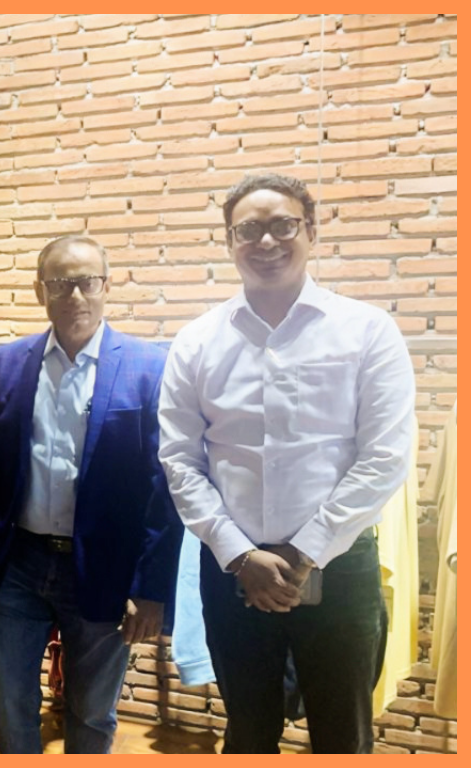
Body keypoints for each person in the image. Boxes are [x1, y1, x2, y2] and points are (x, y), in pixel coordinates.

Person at [158, 173, 416, 753]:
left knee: (343, 736)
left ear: (312, 232)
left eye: (283, 225)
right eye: (249, 230)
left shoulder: (367, 331)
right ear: (230, 241)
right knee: (248, 732)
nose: (267, 242)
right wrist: (238, 554)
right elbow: (179, 458)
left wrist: (305, 553)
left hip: (338, 567)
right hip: (234, 570)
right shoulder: (197, 342)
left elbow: (385, 456)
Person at [0, 235, 181, 753]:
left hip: (103, 568)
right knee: (10, 702)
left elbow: (161, 487)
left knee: (91, 712)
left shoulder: (148, 368)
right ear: (40, 291)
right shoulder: (7, 363)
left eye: (86, 282)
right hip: (17, 563)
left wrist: (151, 588)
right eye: (59, 284)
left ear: (107, 286)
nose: (74, 295)